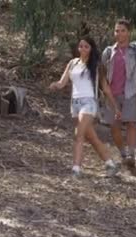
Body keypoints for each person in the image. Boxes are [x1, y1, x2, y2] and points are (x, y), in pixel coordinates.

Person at [49, 36, 120, 178]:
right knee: (92, 137)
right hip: (75, 103)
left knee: (78, 134)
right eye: (81, 46)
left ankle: (76, 168)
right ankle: (110, 163)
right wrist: (55, 85)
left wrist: (115, 108)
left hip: (88, 103)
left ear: (91, 48)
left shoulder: (96, 66)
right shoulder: (72, 63)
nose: (82, 49)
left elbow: (105, 89)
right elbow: (63, 82)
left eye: (86, 46)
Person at [101, 19, 136, 170]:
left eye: (123, 30)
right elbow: (101, 74)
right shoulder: (108, 52)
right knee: (114, 126)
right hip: (112, 95)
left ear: (129, 32)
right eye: (117, 31)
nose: (119, 34)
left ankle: (131, 155)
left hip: (131, 92)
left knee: (131, 123)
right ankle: (123, 154)